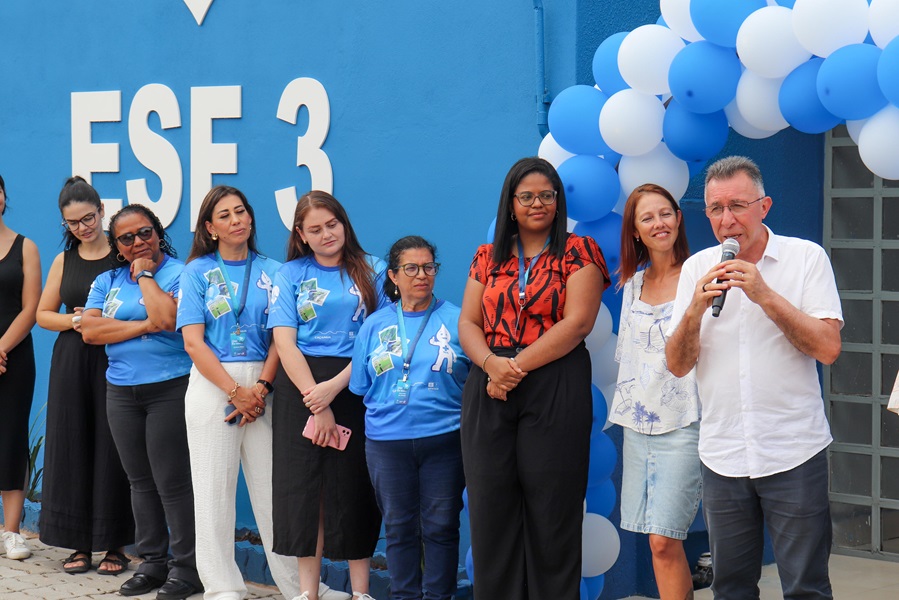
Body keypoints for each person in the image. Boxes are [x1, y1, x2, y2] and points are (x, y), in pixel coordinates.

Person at [666, 156, 842, 600]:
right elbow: (678, 364)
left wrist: (764, 294)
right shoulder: (696, 269)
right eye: (716, 209)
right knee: (730, 589)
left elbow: (827, 348)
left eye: (738, 206)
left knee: (806, 587)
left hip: (793, 451)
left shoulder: (806, 258)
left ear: (764, 206)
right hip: (723, 456)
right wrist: (694, 311)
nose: (727, 220)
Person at [458, 157, 609, 600]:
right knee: (491, 510)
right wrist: (491, 364)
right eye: (526, 196)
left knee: (552, 510)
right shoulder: (487, 256)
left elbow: (578, 323)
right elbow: (468, 323)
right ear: (510, 204)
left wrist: (514, 368)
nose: (537, 203)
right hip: (490, 383)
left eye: (546, 195)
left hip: (553, 381)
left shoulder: (579, 250)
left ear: (558, 201)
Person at [178, 185, 314, 600]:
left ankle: (300, 586)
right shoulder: (197, 272)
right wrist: (235, 390)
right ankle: (221, 586)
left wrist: (261, 387)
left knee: (275, 492)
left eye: (241, 211)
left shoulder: (276, 271)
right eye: (225, 215)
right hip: (213, 384)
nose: (237, 220)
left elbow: (281, 339)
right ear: (210, 228)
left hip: (266, 385)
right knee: (213, 490)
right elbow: (193, 343)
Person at [268, 191, 385, 600]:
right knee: (305, 490)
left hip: (355, 383)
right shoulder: (290, 274)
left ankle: (360, 592)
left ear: (344, 223)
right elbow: (284, 342)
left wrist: (333, 389)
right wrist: (315, 400)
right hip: (300, 386)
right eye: (315, 229)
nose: (326, 234)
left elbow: (377, 338)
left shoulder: (373, 269)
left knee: (354, 487)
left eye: (332, 224)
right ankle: (308, 592)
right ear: (301, 235)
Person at [81, 205, 201, 600]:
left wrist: (146, 276)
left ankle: (187, 569)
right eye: (127, 238)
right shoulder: (107, 280)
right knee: (140, 481)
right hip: (121, 390)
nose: (137, 242)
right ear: (116, 245)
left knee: (172, 482)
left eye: (145, 233)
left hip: (170, 387)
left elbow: (169, 319)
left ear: (158, 232)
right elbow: (90, 332)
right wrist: (145, 324)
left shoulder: (182, 274)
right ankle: (152, 562)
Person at [350, 236, 470, 600]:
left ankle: (439, 596)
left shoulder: (459, 321)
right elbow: (361, 385)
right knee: (399, 528)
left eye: (429, 267)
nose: (422, 275)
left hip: (445, 440)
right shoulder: (374, 326)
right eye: (412, 268)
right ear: (393, 276)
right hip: (387, 444)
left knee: (441, 527)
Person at [36, 176, 133, 575]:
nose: (82, 227)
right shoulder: (65, 260)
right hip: (72, 361)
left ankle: (115, 544)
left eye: (88, 218)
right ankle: (78, 544)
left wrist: (103, 322)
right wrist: (76, 320)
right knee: (73, 443)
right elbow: (43, 315)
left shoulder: (122, 254)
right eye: (73, 223)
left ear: (102, 211)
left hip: (116, 358)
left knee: (113, 444)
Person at [610, 184, 699, 600]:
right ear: (635, 231)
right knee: (655, 542)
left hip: (685, 420)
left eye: (665, 213)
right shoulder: (633, 284)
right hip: (638, 423)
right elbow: (628, 358)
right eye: (647, 217)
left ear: (678, 219)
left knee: (665, 538)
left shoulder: (698, 275)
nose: (659, 223)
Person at [0, 174, 41, 562]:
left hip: (14, 357)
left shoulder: (25, 246)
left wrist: (0, 347)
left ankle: (11, 532)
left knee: (11, 438)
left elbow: (31, 309)